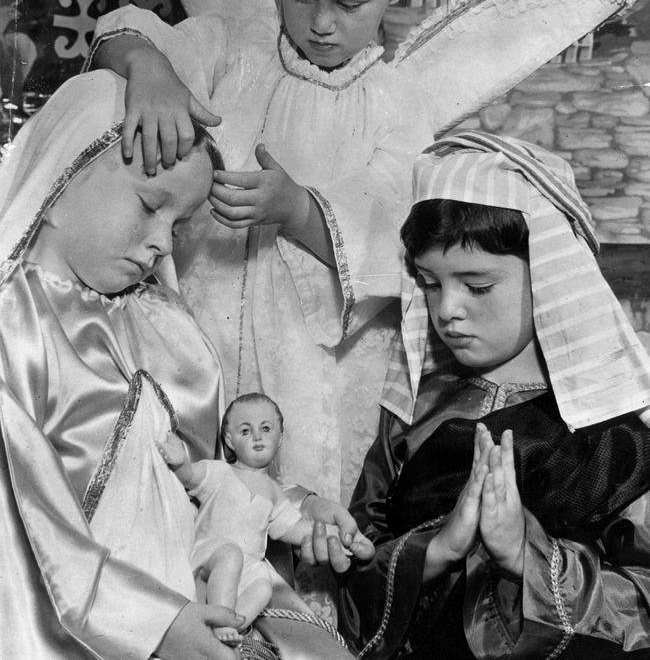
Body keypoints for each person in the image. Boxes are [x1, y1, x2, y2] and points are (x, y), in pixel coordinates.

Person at [86, 0, 433, 502]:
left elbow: (396, 223)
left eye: (348, 3)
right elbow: (118, 35)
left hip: (316, 358)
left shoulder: (397, 102)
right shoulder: (232, 52)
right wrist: (150, 67)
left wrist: (299, 208)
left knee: (298, 500)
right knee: (189, 488)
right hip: (201, 319)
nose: (321, 23)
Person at [0, 69, 370, 659]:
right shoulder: (14, 325)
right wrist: (155, 626)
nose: (162, 245)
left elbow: (212, 472)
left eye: (176, 225)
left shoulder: (164, 326)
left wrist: (298, 506)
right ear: (61, 173)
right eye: (150, 206)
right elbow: (24, 524)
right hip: (93, 628)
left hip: (197, 601)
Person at [339, 130, 650, 659]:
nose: (447, 310)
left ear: (551, 276)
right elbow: (355, 582)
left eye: (476, 286)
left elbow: (639, 603)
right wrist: (436, 550)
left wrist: (526, 557)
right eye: (429, 283)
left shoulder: (614, 433)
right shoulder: (413, 413)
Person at [158, 392, 373, 646]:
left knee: (263, 584)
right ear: (230, 439)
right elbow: (190, 476)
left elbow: (294, 527)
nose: (258, 437)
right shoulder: (219, 472)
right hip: (208, 557)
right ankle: (221, 621)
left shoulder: (273, 492)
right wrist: (181, 460)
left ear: (279, 437)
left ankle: (237, 623)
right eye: (246, 431)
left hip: (243, 570)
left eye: (266, 428)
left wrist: (338, 535)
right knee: (231, 554)